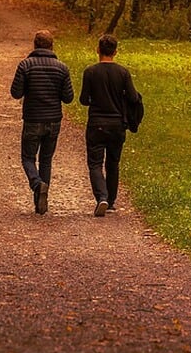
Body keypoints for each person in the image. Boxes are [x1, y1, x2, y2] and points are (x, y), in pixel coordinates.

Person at [10, 30, 74, 215]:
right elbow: (68, 97)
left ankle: (37, 184)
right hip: (53, 120)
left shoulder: (26, 65)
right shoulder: (62, 68)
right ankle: (40, 202)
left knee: (28, 158)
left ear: (35, 45)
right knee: (46, 160)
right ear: (52, 46)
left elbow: (16, 93)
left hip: (32, 119)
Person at [80, 34, 140, 217]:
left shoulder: (90, 72)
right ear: (115, 52)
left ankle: (102, 197)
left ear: (98, 50)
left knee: (95, 163)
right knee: (113, 163)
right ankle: (111, 202)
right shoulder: (123, 73)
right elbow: (133, 97)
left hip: (96, 124)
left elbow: (83, 100)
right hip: (117, 124)